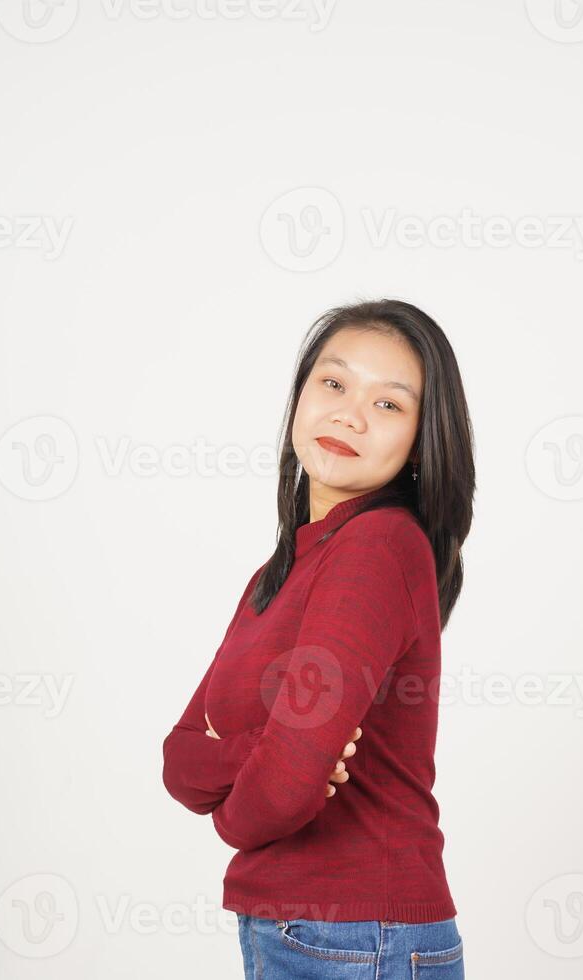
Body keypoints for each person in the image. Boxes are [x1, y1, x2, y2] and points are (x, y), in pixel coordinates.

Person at [162, 298, 477, 979]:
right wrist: (264, 752)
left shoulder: (378, 547)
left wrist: (240, 804)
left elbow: (280, 792)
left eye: (389, 404)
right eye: (333, 384)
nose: (350, 415)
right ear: (300, 397)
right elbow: (179, 757)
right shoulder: (277, 573)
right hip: (311, 932)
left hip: (362, 938)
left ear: (423, 438)